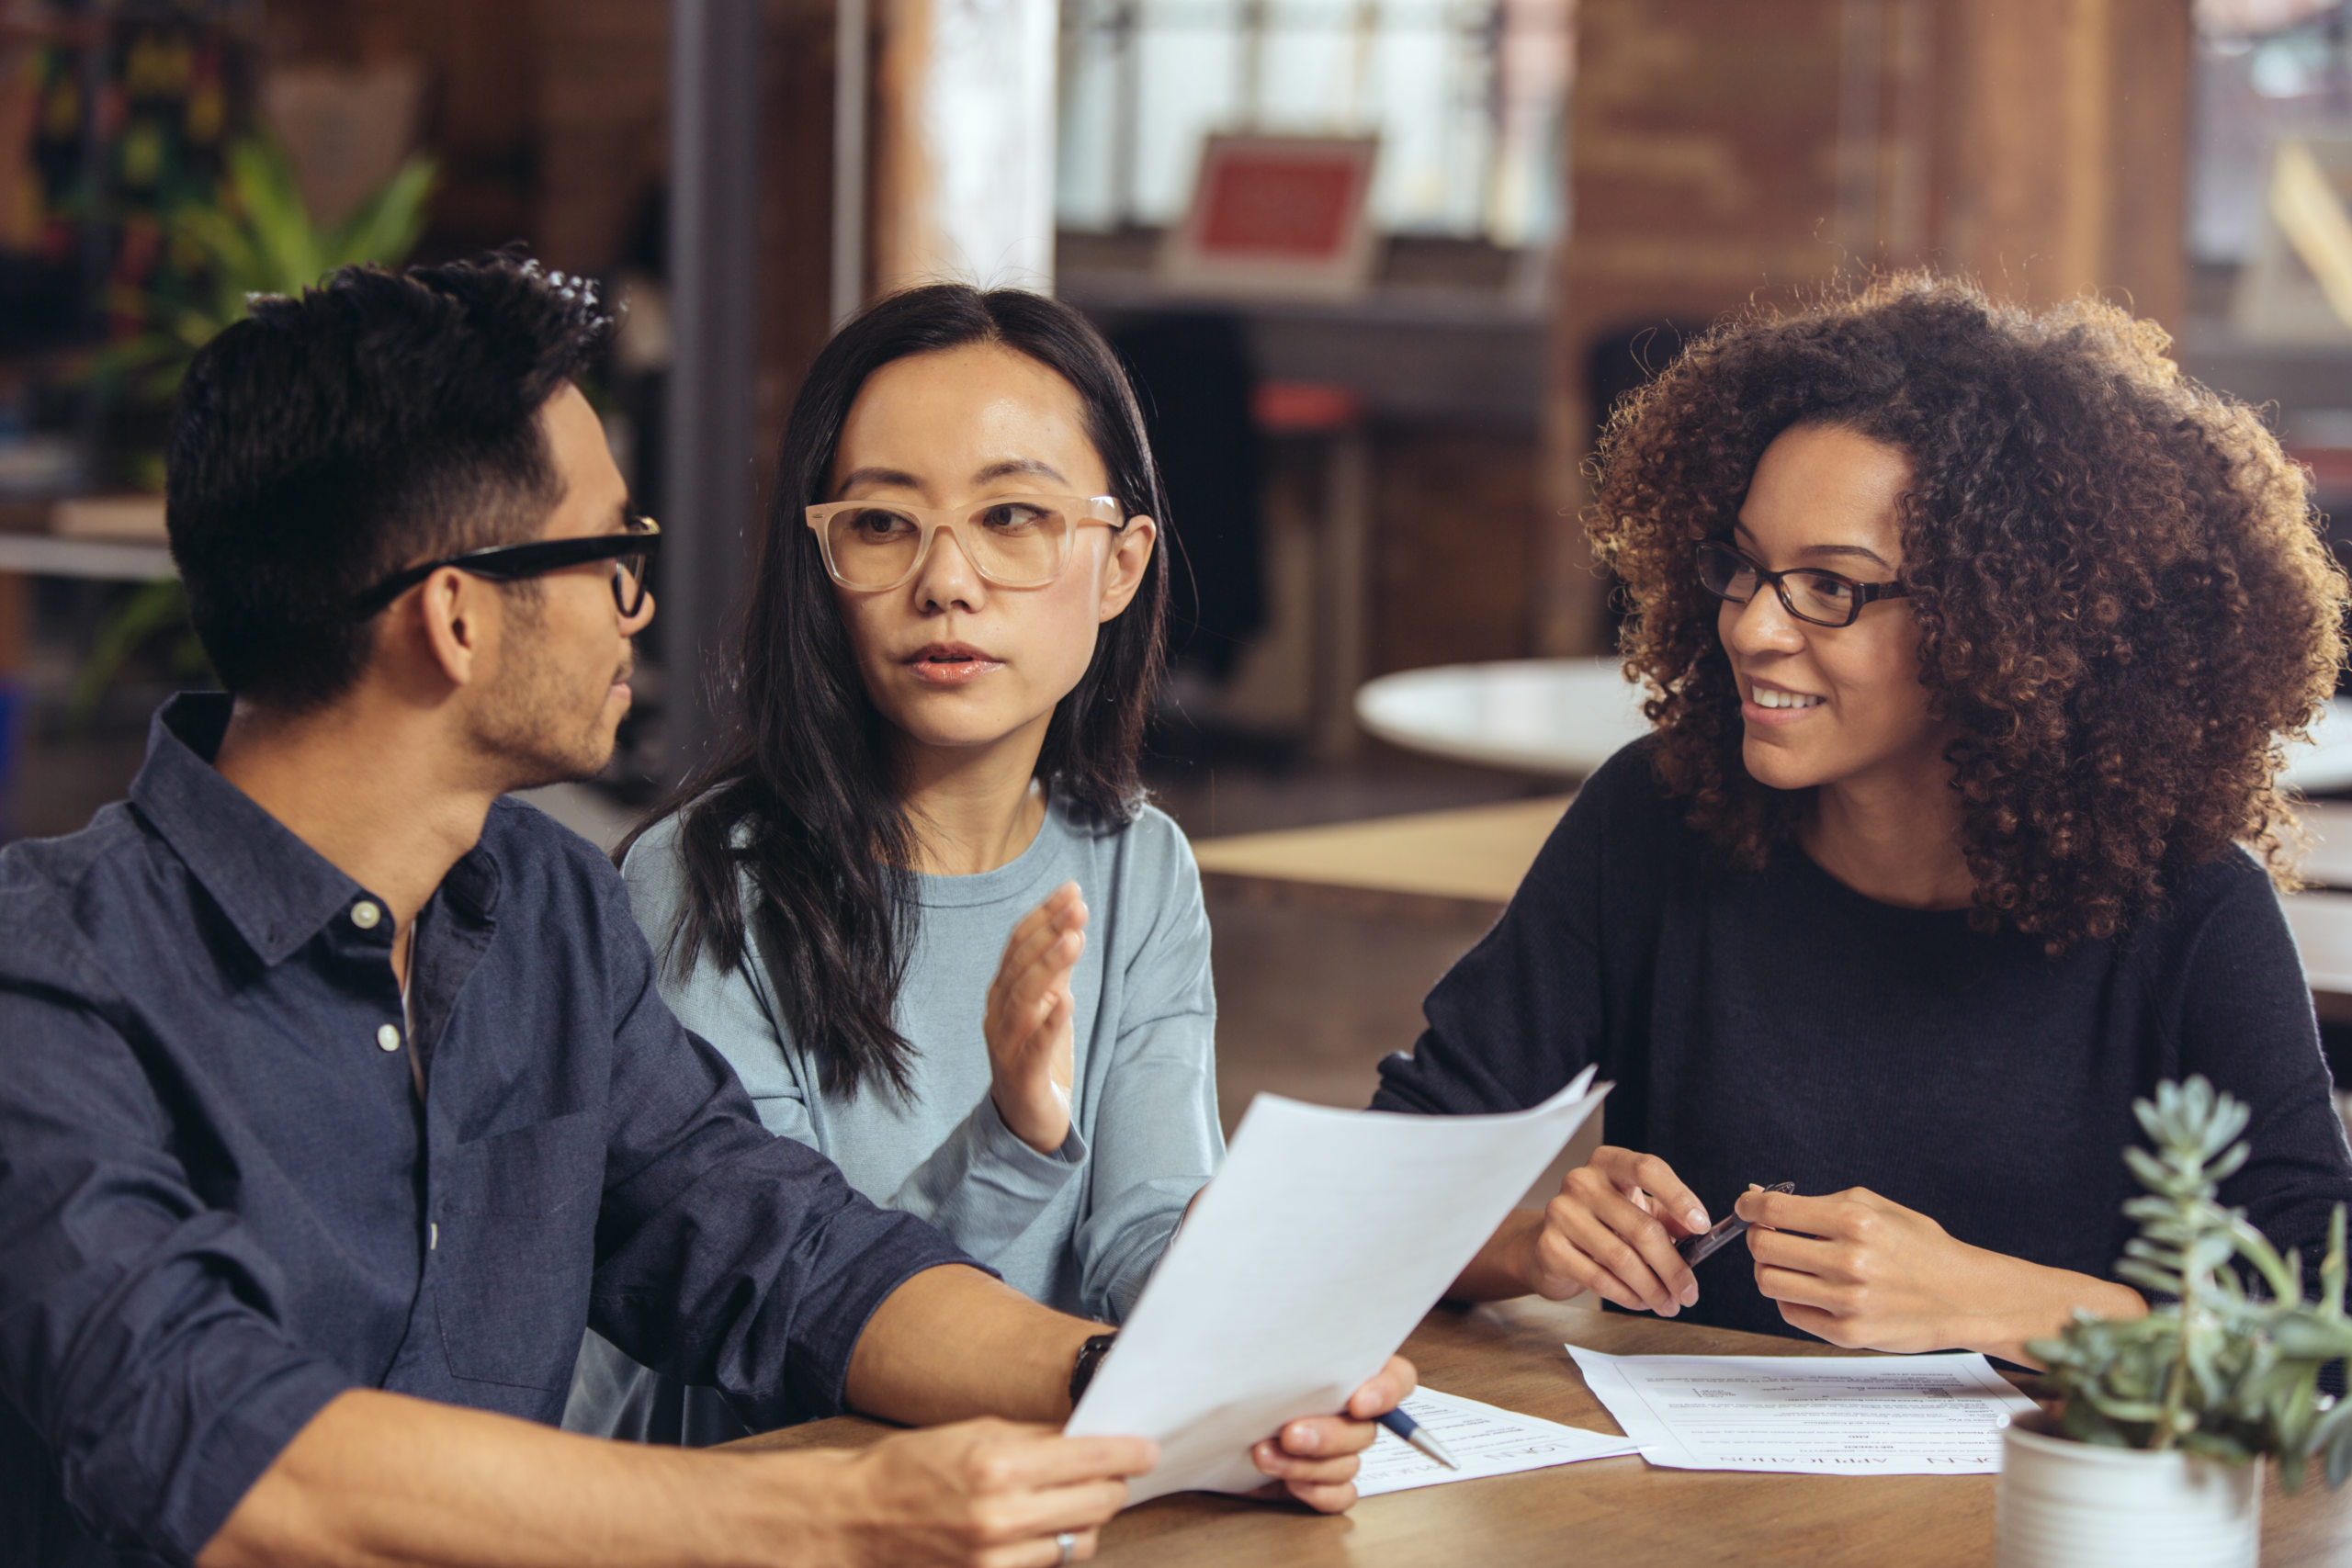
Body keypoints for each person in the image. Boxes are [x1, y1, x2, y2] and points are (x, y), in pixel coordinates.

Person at [0, 255, 1408, 1568]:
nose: (640, 605)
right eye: (610, 553)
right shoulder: (49, 977)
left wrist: (1153, 1387)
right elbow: (223, 1445)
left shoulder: (541, 908)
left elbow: (786, 1252)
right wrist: (839, 1504)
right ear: (455, 617)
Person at [1376, 274, 2352, 1365]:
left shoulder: (2187, 905)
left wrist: (1997, 1306)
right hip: (1692, 1519)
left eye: (1830, 588)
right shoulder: (1653, 821)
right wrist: (1533, 1248)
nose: (1751, 628)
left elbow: (2315, 1314)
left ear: (2010, 623)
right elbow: (1381, 1183)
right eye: (1744, 567)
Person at [566, 284, 1226, 1446]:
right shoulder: (703, 881)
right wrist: (1013, 1139)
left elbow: (1147, 1229)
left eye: (1011, 517)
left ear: (1119, 566)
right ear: (822, 563)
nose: (947, 581)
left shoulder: (1138, 863)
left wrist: (1256, 1330)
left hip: (1041, 1496)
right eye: (881, 524)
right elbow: (785, 1310)